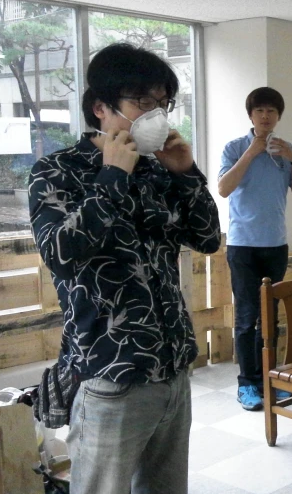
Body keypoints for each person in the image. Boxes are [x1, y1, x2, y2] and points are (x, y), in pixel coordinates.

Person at [28, 43, 221, 494]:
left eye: (162, 103)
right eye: (143, 103)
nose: (157, 115)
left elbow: (208, 238)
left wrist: (187, 174)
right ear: (101, 107)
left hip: (172, 369)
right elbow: (61, 252)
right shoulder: (57, 172)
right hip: (110, 376)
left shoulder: (157, 171)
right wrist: (111, 177)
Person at [217, 87, 292, 411]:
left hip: (276, 245)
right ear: (251, 115)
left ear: (278, 116)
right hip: (243, 246)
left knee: (269, 319)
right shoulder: (235, 147)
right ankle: (247, 385)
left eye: (271, 111)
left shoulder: (286, 151)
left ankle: (267, 381)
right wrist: (252, 152)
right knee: (246, 317)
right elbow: (224, 188)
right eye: (260, 111)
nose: (265, 116)